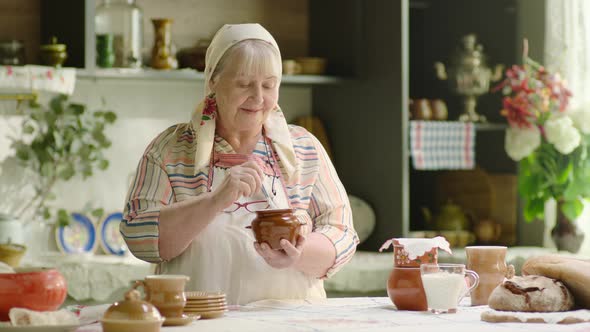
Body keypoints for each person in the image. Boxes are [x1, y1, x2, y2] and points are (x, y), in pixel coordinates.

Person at [121, 23, 358, 304]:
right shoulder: (171, 150)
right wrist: (215, 200)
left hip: (289, 322)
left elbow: (342, 234)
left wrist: (298, 254)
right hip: (200, 321)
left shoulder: (304, 148)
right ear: (213, 80)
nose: (258, 98)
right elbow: (139, 236)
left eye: (269, 85)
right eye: (244, 84)